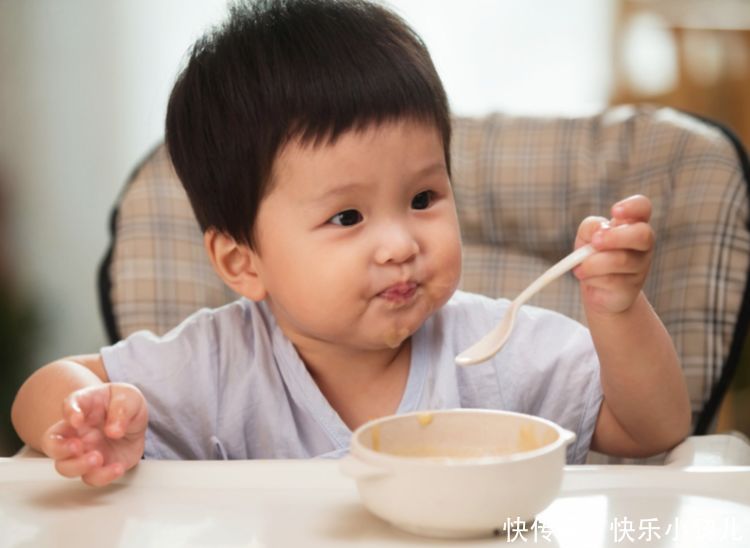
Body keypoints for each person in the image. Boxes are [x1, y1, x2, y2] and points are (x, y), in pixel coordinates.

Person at [11, 0, 690, 486]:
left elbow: (650, 432)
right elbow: (42, 390)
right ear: (242, 263)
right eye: (347, 218)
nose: (399, 243)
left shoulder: (503, 353)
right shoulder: (218, 367)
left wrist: (618, 311)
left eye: (423, 199)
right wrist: (88, 418)